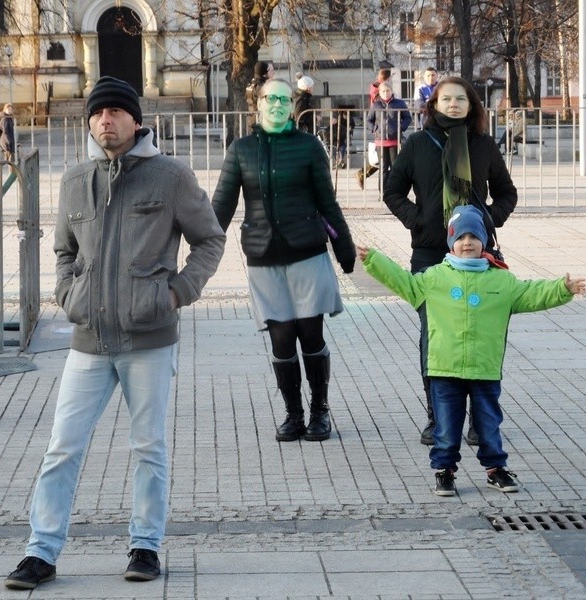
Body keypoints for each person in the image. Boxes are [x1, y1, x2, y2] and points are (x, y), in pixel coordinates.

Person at [3, 76, 225, 590]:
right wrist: (67, 294)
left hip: (149, 337)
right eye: (98, 113)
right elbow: (64, 251)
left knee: (148, 446)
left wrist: (177, 292)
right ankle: (41, 552)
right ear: (89, 122)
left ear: (136, 120)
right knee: (62, 446)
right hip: (89, 339)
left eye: (116, 112)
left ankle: (145, 547)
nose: (106, 120)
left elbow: (209, 240)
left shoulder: (170, 176)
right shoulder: (75, 179)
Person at [358, 205, 585, 496]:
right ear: (451, 242)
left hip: (484, 368)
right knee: (446, 427)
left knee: (488, 424)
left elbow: (532, 294)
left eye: (474, 237)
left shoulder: (501, 281)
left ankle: (495, 469)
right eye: (461, 236)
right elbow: (403, 282)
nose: (467, 242)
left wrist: (563, 288)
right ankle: (444, 470)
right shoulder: (434, 278)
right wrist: (375, 260)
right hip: (444, 368)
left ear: (484, 242)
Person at [212, 78, 356, 443]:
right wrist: (202, 248)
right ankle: (293, 413)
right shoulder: (241, 149)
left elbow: (328, 202)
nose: (276, 105)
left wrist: (345, 248)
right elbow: (222, 205)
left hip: (307, 252)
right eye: (269, 99)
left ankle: (320, 412)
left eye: (283, 99)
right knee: (281, 338)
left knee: (310, 334)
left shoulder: (308, 147)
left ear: (292, 105)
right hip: (263, 257)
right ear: (257, 104)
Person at [382, 76, 518, 446]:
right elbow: (391, 191)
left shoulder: (484, 145)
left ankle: (481, 420)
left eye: (461, 99)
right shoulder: (416, 144)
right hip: (431, 253)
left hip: (478, 254)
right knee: (435, 336)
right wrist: (419, 220)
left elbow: (507, 193)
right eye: (447, 99)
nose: (454, 104)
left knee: (482, 336)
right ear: (434, 105)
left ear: (472, 105)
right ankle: (438, 417)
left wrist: (488, 219)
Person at [357, 81, 410, 191]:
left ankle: (394, 190)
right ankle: (383, 191)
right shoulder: (376, 105)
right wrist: (374, 128)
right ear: (379, 93)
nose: (386, 93)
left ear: (392, 91)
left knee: (395, 167)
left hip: (395, 140)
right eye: (383, 91)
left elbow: (407, 117)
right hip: (380, 141)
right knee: (383, 167)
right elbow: (368, 120)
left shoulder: (400, 103)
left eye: (388, 91)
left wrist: (401, 127)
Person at [245, 61, 274, 132]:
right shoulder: (262, 87)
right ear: (264, 74)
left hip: (252, 119)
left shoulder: (251, 85)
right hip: (261, 122)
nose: (272, 73)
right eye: (269, 71)